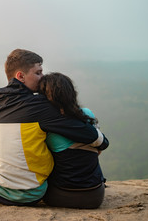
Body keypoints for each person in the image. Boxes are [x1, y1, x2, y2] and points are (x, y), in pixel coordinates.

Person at [0, 49, 105, 206]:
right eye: (38, 73)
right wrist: (103, 142)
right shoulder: (42, 107)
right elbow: (84, 132)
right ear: (20, 76)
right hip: (32, 194)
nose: (42, 77)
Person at [39, 72, 109, 209]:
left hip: (58, 196)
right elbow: (99, 150)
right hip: (95, 196)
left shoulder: (46, 125)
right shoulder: (87, 114)